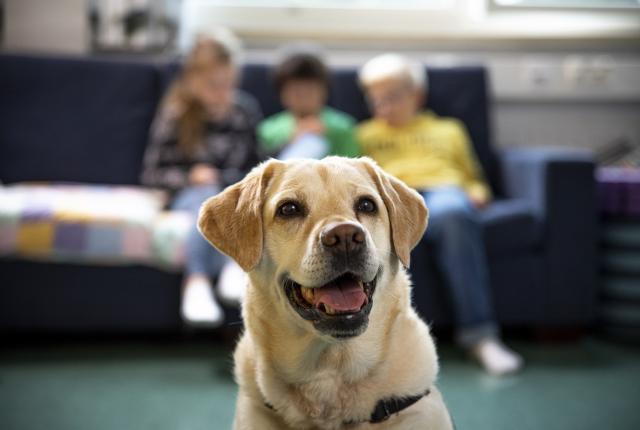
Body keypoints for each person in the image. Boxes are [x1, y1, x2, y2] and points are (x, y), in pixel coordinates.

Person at [357, 53, 523, 376]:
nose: (383, 107)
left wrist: (477, 192)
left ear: (417, 95)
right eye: (375, 100)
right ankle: (374, 346)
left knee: (453, 216)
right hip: (393, 195)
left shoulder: (449, 130)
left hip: (444, 191)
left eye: (392, 98)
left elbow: (472, 174)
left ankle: (480, 337)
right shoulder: (364, 134)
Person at [141, 30, 262, 327]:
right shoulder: (177, 114)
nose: (222, 93)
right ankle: (196, 282)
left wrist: (224, 179)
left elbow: (255, 164)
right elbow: (152, 173)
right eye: (212, 85)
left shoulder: (243, 112)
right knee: (207, 201)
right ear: (193, 80)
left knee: (229, 200)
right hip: (190, 194)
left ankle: (235, 267)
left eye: (228, 84)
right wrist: (190, 176)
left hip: (231, 191)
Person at [258, 47, 359, 160]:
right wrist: (291, 142)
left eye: (310, 91)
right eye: (296, 92)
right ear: (281, 93)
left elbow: (352, 165)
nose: (303, 97)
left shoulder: (343, 128)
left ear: (325, 90)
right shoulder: (268, 131)